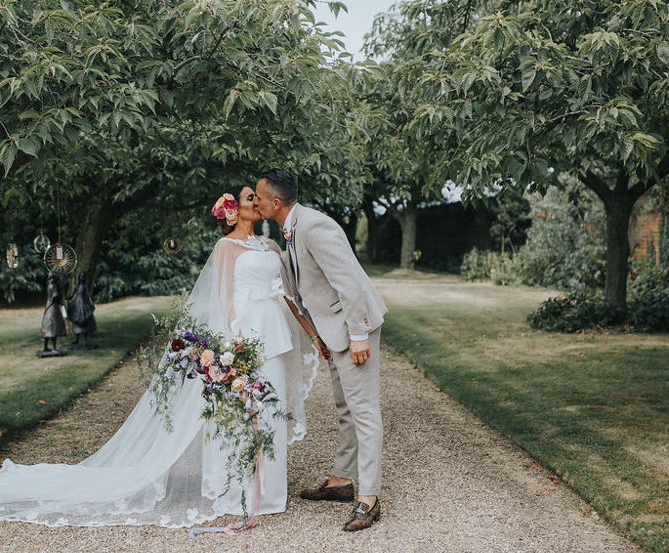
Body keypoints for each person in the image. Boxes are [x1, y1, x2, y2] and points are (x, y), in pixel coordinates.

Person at [0, 187, 319, 529]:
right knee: (240, 413)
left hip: (274, 337)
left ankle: (270, 490)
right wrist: (235, 341)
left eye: (256, 198)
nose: (256, 202)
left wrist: (314, 334)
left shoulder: (270, 246)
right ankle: (238, 489)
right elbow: (225, 299)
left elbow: (287, 295)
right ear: (232, 212)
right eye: (248, 199)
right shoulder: (225, 248)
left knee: (272, 406)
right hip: (244, 337)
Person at [255, 169, 388, 532]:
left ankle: (370, 498)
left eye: (259, 197)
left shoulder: (315, 226)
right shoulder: (290, 230)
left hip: (353, 327)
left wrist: (358, 334)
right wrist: (318, 337)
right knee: (346, 407)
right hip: (333, 331)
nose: (255, 201)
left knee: (363, 410)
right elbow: (302, 287)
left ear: (276, 202)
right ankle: (342, 481)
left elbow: (348, 279)